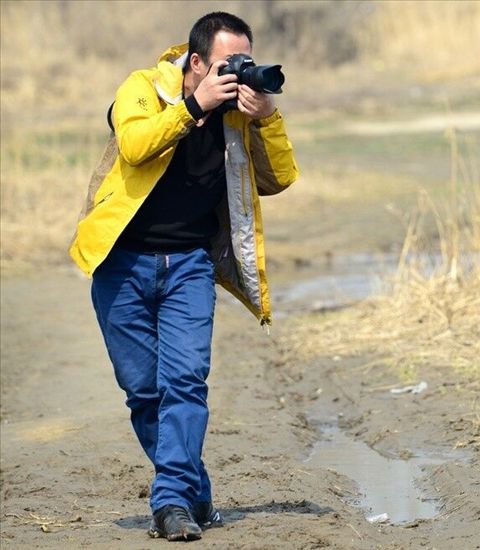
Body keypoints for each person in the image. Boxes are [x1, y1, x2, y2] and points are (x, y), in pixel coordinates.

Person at [69, 11, 298, 542]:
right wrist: (195, 108)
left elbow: (280, 178)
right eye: (228, 63)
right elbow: (134, 144)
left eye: (245, 61)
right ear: (196, 63)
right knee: (143, 392)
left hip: (189, 266)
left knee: (186, 382)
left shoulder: (239, 116)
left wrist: (266, 117)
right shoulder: (143, 88)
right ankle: (194, 491)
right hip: (120, 264)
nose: (238, 73)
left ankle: (169, 502)